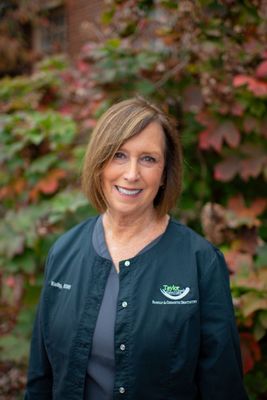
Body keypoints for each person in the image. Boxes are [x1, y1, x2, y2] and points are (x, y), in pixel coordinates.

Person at [25, 97, 248, 400]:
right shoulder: (64, 252)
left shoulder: (200, 262)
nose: (131, 174)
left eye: (148, 159)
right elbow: (40, 380)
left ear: (164, 172)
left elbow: (223, 388)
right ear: (99, 162)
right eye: (119, 155)